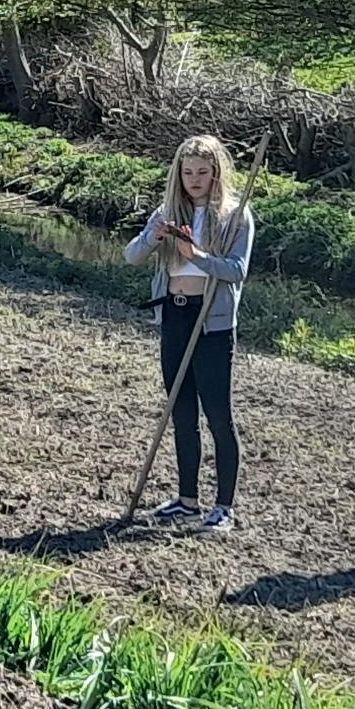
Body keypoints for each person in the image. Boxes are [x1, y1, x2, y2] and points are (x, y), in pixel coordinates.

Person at [124, 135, 255, 533]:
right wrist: (155, 236)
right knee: (180, 411)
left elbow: (236, 271)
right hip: (175, 317)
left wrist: (197, 256)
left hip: (211, 321)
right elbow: (131, 256)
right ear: (178, 175)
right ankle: (187, 500)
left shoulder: (235, 215)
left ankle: (224, 507)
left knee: (217, 413)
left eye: (202, 172)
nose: (195, 179)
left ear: (216, 173)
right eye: (188, 172)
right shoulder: (167, 212)